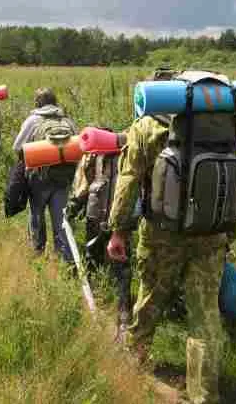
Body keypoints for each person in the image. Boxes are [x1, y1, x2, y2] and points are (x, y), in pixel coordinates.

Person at [106, 68, 234, 404]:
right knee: (205, 317)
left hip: (163, 235)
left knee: (149, 301)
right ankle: (204, 396)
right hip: (211, 234)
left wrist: (118, 231)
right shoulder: (218, 121)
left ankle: (131, 368)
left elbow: (128, 181)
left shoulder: (146, 127)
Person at [65, 132, 132, 340]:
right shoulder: (127, 151)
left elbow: (84, 186)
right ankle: (123, 315)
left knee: (93, 262)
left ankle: (97, 303)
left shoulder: (93, 155)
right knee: (120, 269)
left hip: (96, 218)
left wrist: (74, 205)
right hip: (121, 220)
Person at [13, 88, 78, 264]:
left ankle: (36, 255)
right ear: (55, 102)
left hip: (39, 178)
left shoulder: (33, 120)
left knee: (36, 216)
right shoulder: (67, 120)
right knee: (61, 221)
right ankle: (67, 261)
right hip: (63, 179)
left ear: (37, 103)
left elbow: (17, 147)